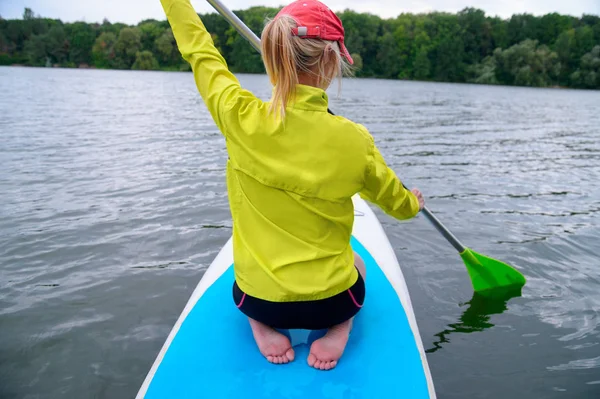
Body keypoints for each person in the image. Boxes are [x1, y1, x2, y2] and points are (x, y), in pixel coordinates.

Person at [161, 0, 425, 371]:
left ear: (271, 58)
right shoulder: (355, 141)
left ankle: (261, 325)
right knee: (359, 265)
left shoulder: (238, 116)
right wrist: (413, 202)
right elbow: (396, 204)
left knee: (246, 284)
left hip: (256, 299)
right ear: (332, 62)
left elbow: (200, 52)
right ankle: (339, 328)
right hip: (333, 301)